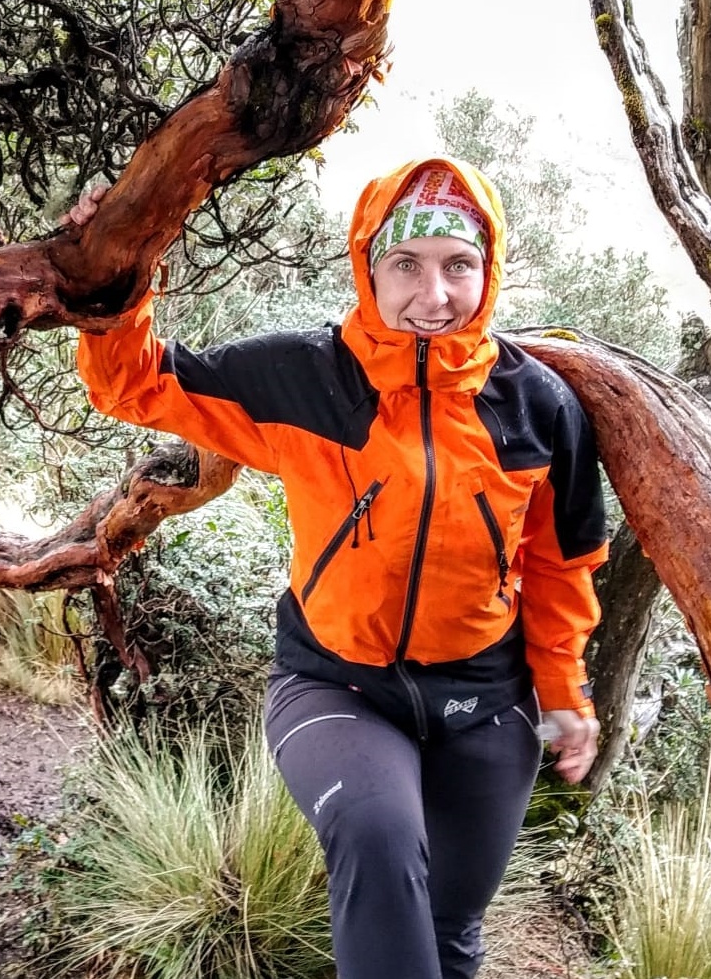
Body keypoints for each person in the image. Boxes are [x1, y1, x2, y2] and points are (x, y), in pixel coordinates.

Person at [72, 157, 608, 979]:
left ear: (489, 268)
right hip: (336, 686)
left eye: (458, 264)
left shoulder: (538, 405)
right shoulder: (304, 378)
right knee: (378, 836)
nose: (434, 294)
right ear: (367, 264)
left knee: (451, 924)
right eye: (407, 264)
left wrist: (564, 696)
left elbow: (560, 567)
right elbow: (133, 383)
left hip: (488, 705)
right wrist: (120, 259)